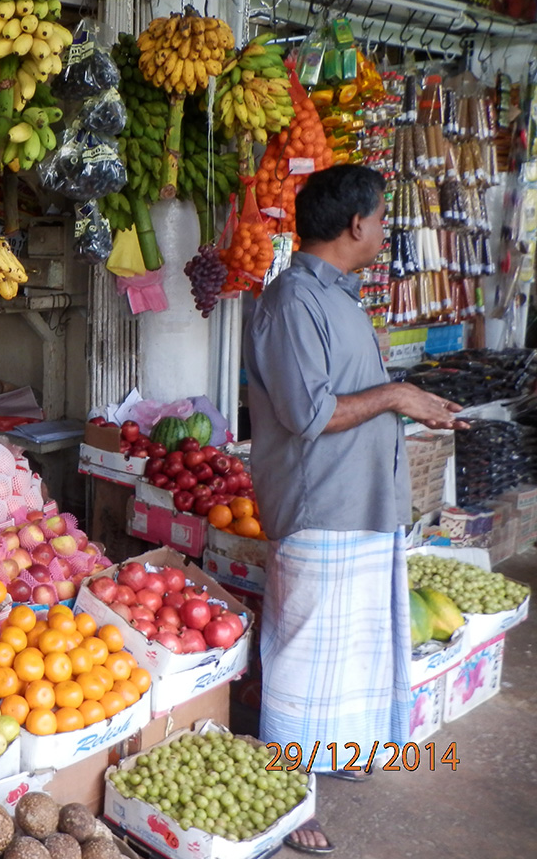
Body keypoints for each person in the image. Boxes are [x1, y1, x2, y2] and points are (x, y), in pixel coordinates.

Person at [243, 164, 468, 855]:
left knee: (348, 654)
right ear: (355, 223)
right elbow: (309, 414)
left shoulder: (338, 295)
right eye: (381, 219)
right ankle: (285, 797)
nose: (384, 231)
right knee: (303, 658)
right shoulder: (291, 301)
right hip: (321, 507)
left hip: (364, 502)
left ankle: (331, 751)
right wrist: (397, 396)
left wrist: (408, 402)